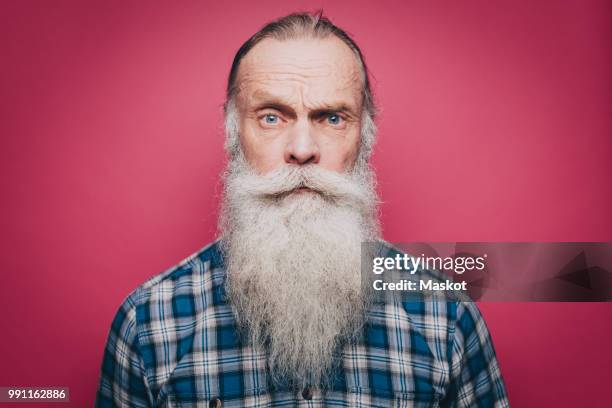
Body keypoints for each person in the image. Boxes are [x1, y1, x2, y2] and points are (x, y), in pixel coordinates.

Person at [95, 12, 509, 408]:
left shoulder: (447, 315)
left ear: (365, 136)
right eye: (272, 117)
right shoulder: (149, 321)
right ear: (233, 134)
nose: (303, 150)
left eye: (332, 118)